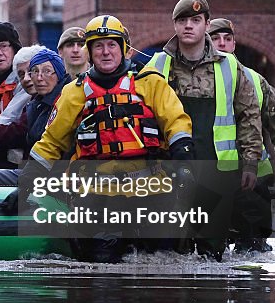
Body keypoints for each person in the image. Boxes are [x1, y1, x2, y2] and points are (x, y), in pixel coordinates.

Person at [25, 15, 194, 262]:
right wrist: (25, 184)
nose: (106, 52)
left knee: (161, 260)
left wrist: (184, 160)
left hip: (149, 190)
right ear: (90, 52)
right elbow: (50, 143)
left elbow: (176, 122)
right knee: (99, 269)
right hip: (95, 193)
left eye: (112, 45)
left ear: (123, 48)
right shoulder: (74, 93)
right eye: (99, 46)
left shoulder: (150, 83)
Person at [144, 0, 263, 260]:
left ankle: (211, 299)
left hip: (217, 171)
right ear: (174, 25)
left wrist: (251, 163)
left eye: (196, 20)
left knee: (212, 250)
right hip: (169, 172)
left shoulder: (230, 66)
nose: (189, 26)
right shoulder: (157, 65)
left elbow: (249, 116)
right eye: (182, 20)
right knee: (171, 251)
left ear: (207, 24)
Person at [208, 17, 275, 252]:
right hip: (212, 178)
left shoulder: (256, 81)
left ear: (234, 45)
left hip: (254, 179)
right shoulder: (195, 81)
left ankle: (254, 286)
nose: (222, 44)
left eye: (227, 39)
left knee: (253, 253)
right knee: (210, 252)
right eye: (215, 39)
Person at [0, 48, 71, 187]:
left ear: (59, 73)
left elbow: (16, 131)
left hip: (50, 177)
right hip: (31, 171)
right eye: (34, 72)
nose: (32, 78)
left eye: (46, 71)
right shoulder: (36, 103)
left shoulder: (64, 99)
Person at [0, 44, 44, 169]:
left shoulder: (47, 99)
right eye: (21, 74)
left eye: (31, 71)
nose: (27, 79)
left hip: (37, 172)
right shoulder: (35, 101)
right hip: (28, 167)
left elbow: (14, 129)